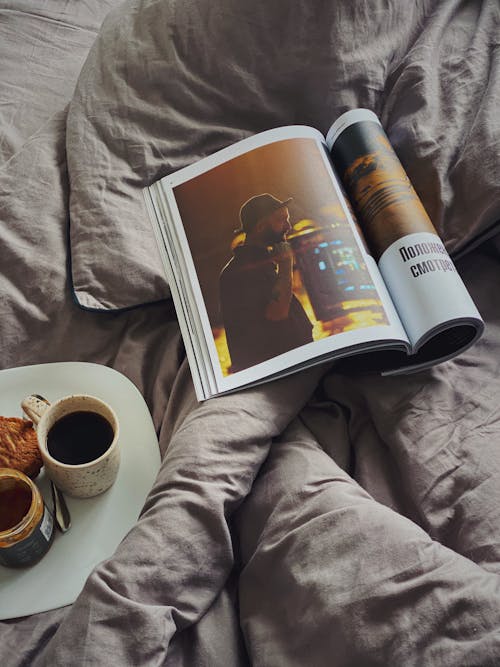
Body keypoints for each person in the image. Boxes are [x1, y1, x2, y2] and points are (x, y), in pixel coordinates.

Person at [219, 193, 313, 372]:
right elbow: (276, 313)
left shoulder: (259, 264)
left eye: (287, 219)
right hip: (279, 377)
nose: (288, 226)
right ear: (261, 226)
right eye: (281, 220)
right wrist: (286, 266)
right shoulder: (242, 271)